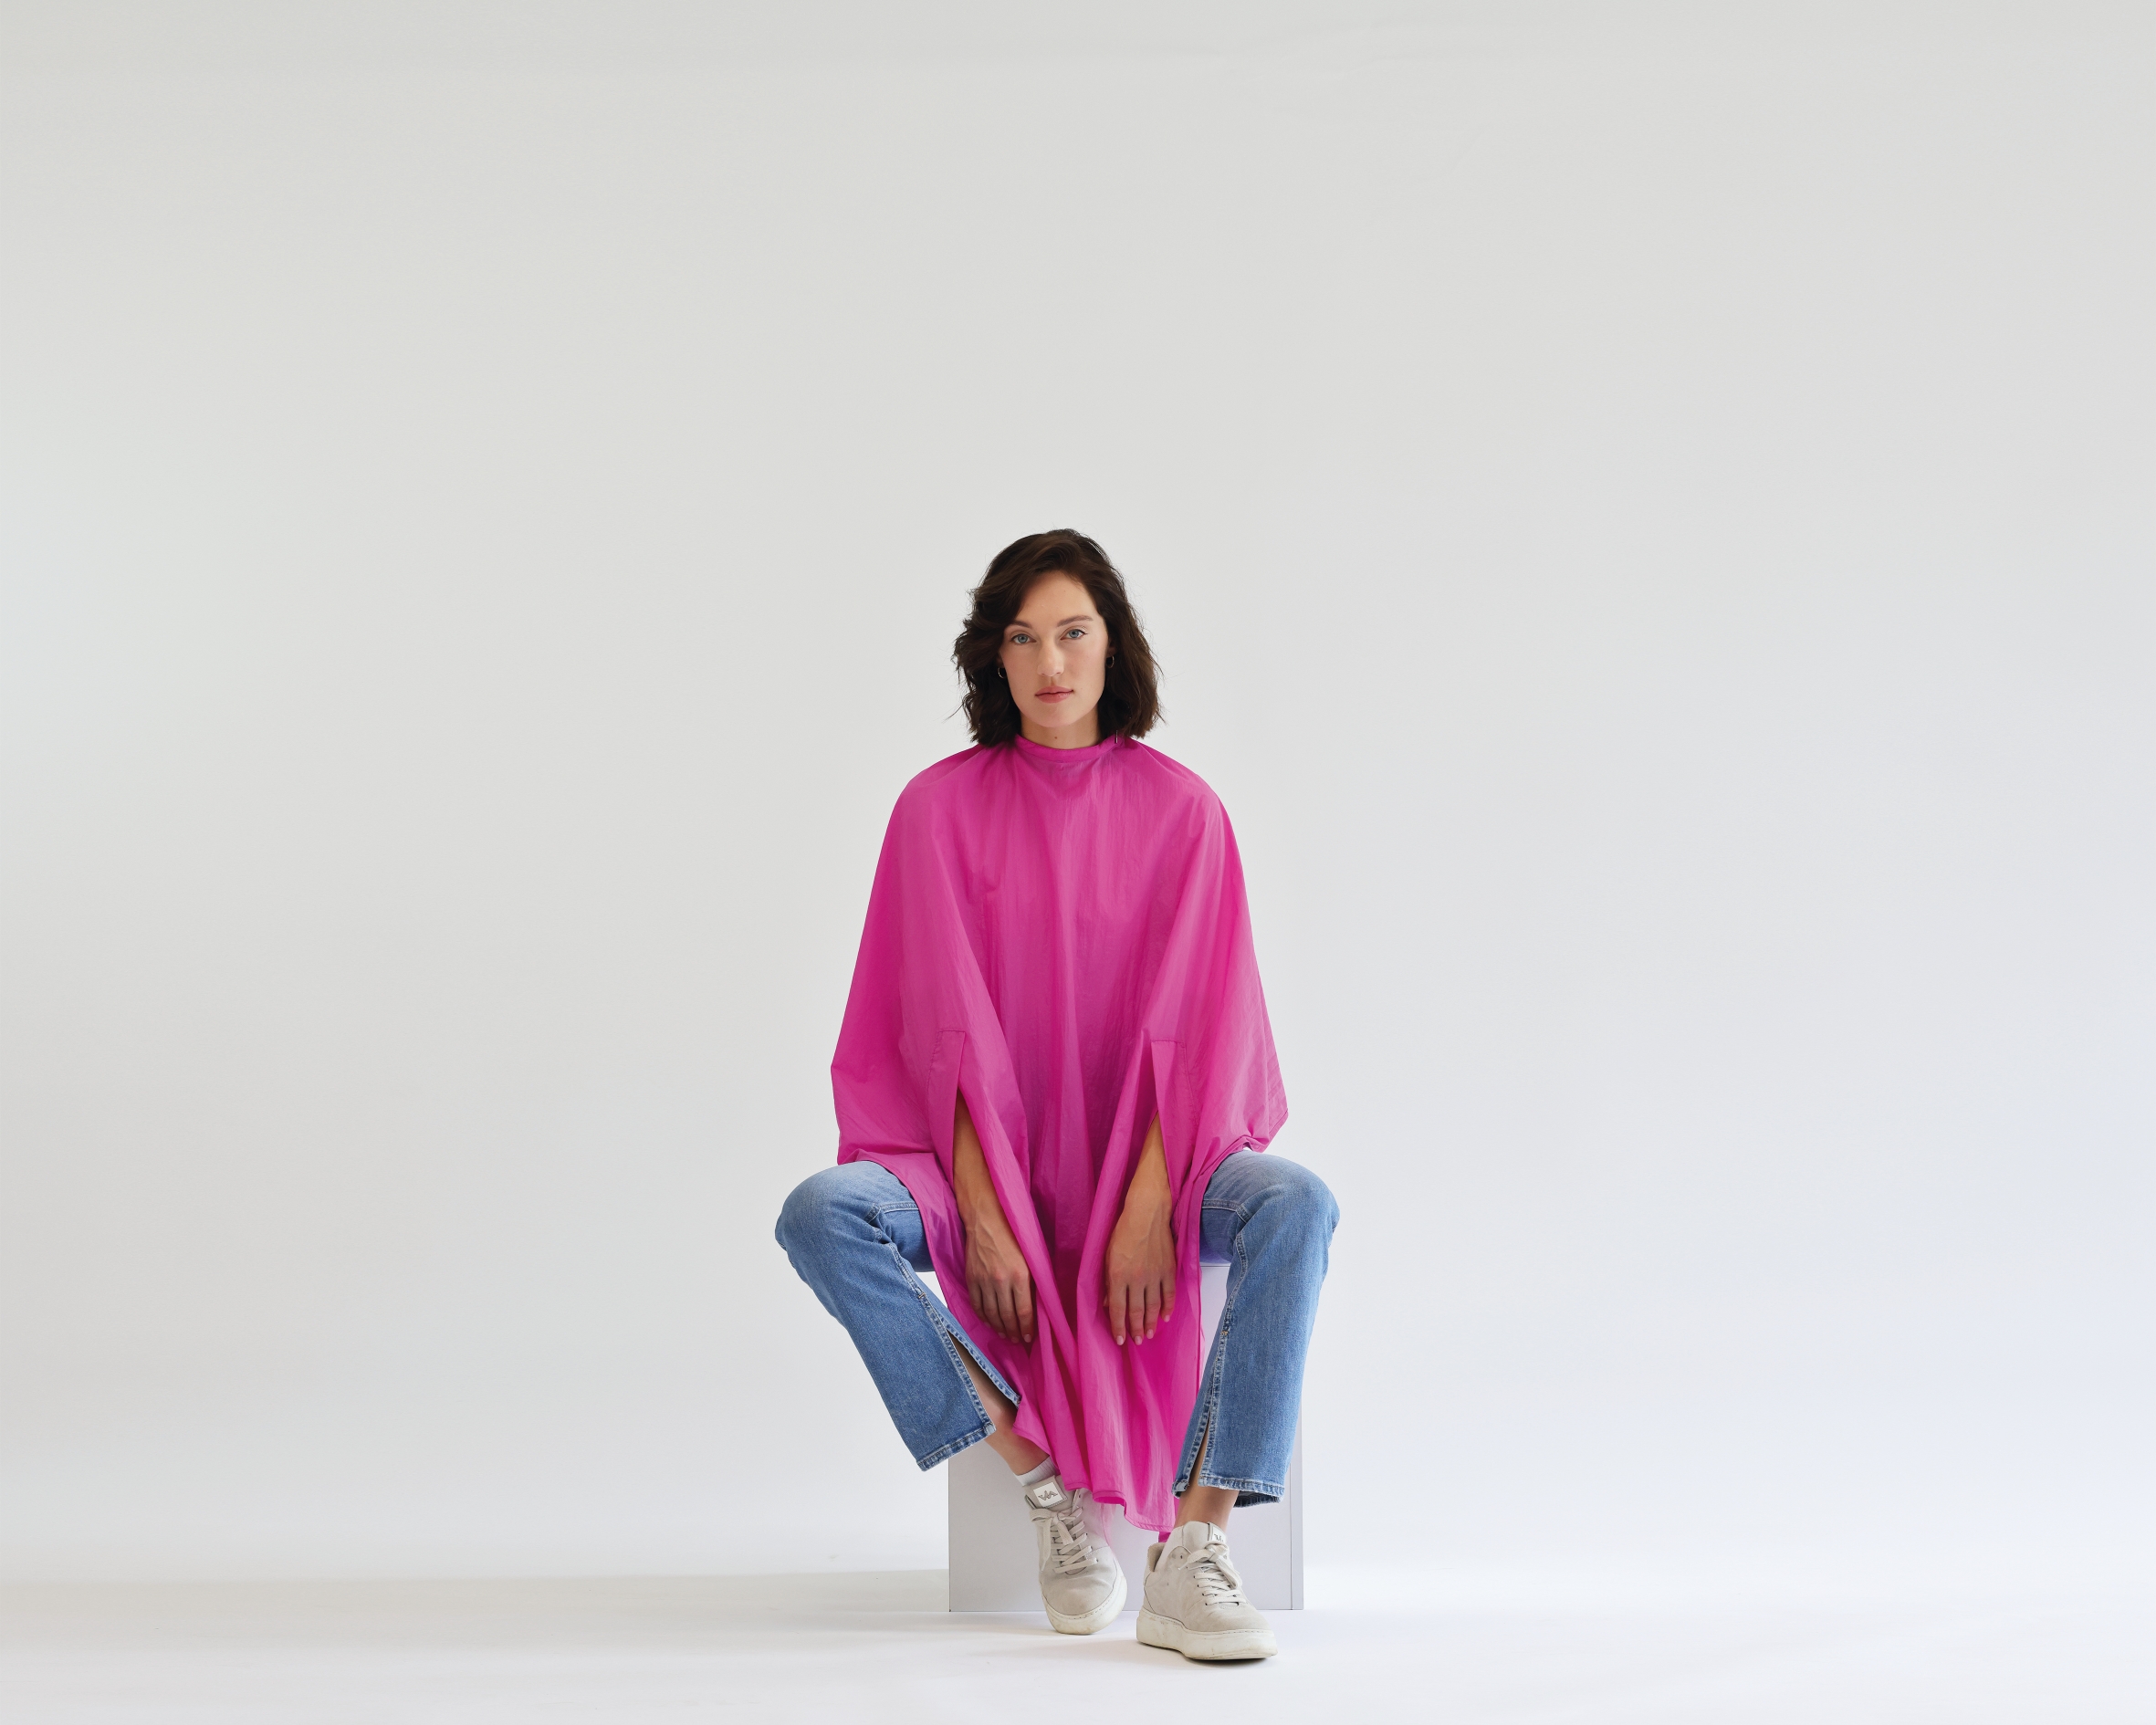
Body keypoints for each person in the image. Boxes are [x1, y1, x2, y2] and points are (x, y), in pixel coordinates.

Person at [776, 530, 1336, 1662]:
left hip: (1159, 1161)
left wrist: (1148, 1205)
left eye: (1072, 632)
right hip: (967, 1165)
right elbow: (936, 1033)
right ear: (993, 656)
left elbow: (1199, 1030)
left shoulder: (1184, 812)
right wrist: (982, 1213)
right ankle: (1039, 1484)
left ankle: (1196, 1544)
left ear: (1112, 644)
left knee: (1295, 1203)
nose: (1050, 662)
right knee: (821, 1214)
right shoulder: (935, 810)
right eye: (1023, 638)